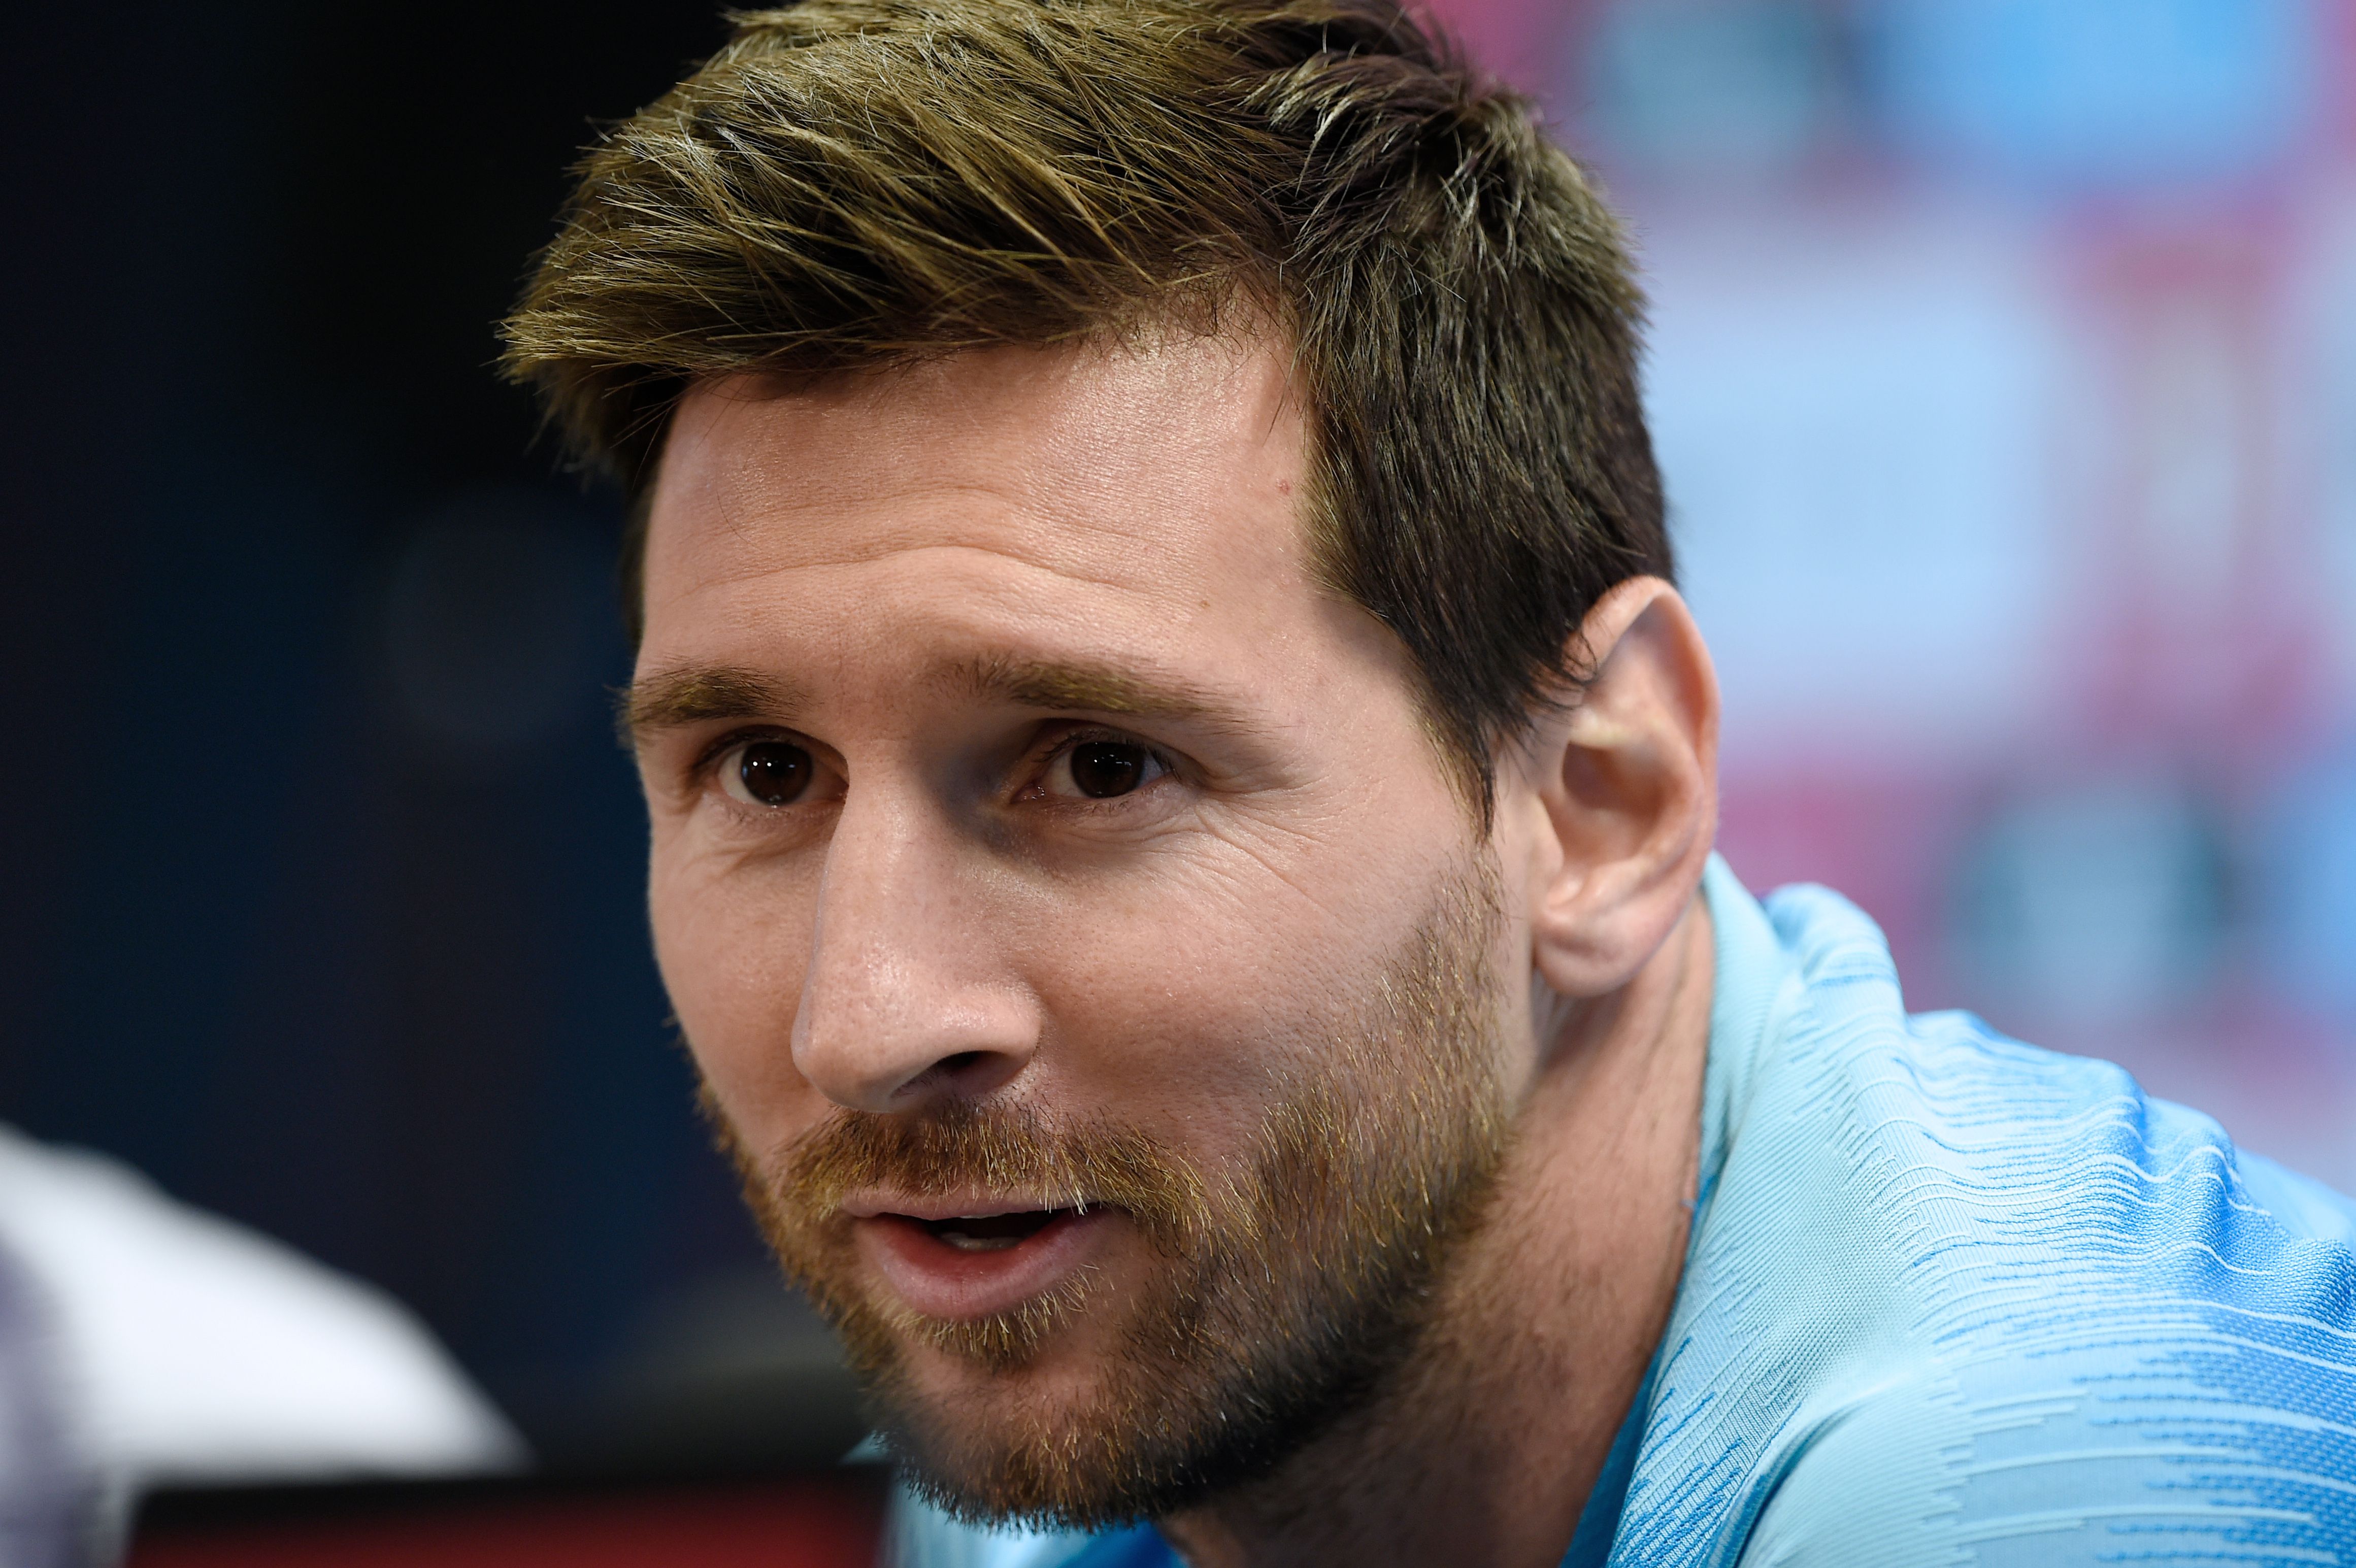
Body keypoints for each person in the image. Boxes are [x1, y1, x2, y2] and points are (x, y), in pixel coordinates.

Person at [497, 0, 2356, 1561]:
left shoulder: (2047, 1476)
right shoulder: (1053, 1420)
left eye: (1098, 765)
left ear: (1603, 801)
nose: (865, 1019)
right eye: (763, 770)